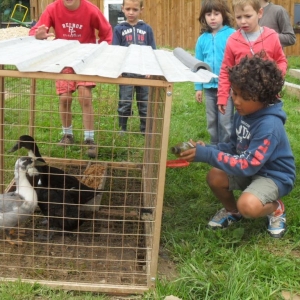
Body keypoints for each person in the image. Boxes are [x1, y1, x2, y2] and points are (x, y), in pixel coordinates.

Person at [180, 53, 295, 238]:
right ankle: (233, 212)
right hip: (251, 169)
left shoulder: (269, 126)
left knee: (248, 205)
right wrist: (208, 148)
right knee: (215, 176)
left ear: (263, 98)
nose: (236, 100)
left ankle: (275, 208)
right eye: (234, 92)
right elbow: (234, 148)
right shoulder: (243, 114)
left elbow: (247, 165)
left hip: (273, 176)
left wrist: (206, 155)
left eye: (245, 97)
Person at [29, 0, 113, 158]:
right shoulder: (52, 9)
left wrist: (101, 51)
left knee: (85, 97)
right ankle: (67, 135)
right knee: (65, 98)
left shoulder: (90, 10)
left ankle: (89, 138)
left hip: (85, 61)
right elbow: (35, 31)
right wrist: (38, 35)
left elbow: (106, 32)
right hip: (64, 60)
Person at [217, 0, 287, 116]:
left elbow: (281, 61)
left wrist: (274, 79)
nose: (243, 21)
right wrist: (222, 96)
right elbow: (226, 70)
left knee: (267, 126)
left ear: (259, 13)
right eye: (238, 17)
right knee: (245, 129)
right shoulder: (232, 40)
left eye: (248, 16)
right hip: (244, 100)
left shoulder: (272, 36)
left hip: (268, 97)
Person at [112, 0, 156, 135]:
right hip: (127, 73)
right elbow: (116, 51)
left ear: (141, 9)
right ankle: (122, 128)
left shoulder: (147, 29)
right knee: (125, 101)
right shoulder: (119, 29)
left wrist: (151, 69)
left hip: (143, 73)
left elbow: (152, 50)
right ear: (123, 9)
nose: (131, 12)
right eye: (128, 9)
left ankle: (144, 129)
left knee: (145, 103)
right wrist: (118, 69)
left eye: (135, 9)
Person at [195, 0, 235, 145]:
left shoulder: (232, 35)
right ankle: (214, 149)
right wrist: (198, 87)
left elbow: (237, 61)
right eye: (208, 14)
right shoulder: (202, 39)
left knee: (225, 122)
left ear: (223, 15)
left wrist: (235, 86)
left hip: (227, 88)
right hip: (209, 89)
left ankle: (227, 150)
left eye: (216, 14)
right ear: (203, 17)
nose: (212, 17)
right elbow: (198, 65)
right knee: (211, 121)